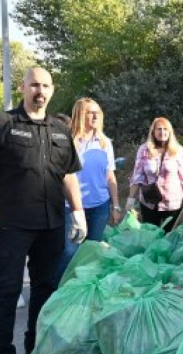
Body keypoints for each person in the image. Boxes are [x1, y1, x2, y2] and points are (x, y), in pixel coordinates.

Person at [0, 67, 86, 354]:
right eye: (34, 84)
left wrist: (77, 212)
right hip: (12, 224)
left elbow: (68, 175)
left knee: (45, 290)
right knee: (6, 291)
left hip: (51, 224)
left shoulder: (61, 129)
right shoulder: (3, 124)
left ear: (52, 89)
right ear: (23, 87)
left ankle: (34, 352)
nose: (40, 90)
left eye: (46, 85)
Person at [54, 98, 120, 286]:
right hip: (72, 207)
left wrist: (115, 205)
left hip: (100, 206)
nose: (94, 116)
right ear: (80, 115)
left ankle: (83, 290)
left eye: (97, 112)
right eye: (89, 112)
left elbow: (110, 176)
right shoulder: (69, 141)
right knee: (70, 251)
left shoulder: (105, 142)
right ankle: (56, 289)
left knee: (93, 252)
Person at [126, 117, 183, 232]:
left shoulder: (178, 151)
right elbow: (137, 176)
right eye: (159, 129)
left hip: (172, 203)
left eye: (165, 129)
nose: (162, 132)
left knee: (169, 238)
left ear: (170, 132)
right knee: (151, 236)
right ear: (153, 132)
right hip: (149, 202)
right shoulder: (144, 150)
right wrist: (130, 200)